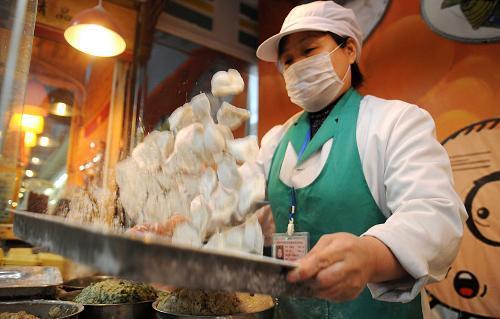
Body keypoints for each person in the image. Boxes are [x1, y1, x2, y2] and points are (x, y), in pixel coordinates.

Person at [255, 1, 467, 318]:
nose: (296, 65)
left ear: (350, 50)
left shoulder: (394, 123)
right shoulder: (276, 140)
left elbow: (435, 215)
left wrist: (369, 256)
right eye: (287, 60)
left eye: (309, 50)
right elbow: (237, 203)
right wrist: (191, 219)